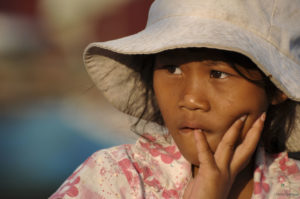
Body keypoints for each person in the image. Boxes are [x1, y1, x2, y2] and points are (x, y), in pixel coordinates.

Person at [50, 0, 300, 198]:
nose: (190, 100)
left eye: (218, 73)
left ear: (278, 87)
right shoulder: (114, 181)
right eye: (172, 70)